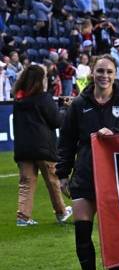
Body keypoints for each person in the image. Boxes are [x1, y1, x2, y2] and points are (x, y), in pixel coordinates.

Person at [56, 55, 119, 270]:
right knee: (82, 232)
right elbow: (66, 142)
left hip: (115, 176)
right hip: (84, 174)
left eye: (109, 72)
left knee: (114, 233)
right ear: (92, 73)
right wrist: (62, 174)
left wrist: (115, 133)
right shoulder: (78, 104)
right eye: (100, 71)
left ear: (116, 75)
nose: (104, 76)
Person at [13, 65, 71, 226]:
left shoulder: (18, 100)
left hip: (23, 149)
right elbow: (56, 121)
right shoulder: (44, 98)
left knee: (26, 183)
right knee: (53, 181)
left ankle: (23, 217)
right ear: (40, 81)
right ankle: (61, 212)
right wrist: (64, 109)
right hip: (43, 148)